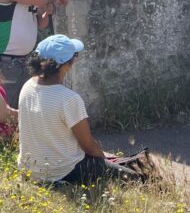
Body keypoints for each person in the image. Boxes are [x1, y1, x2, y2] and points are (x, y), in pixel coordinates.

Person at [18, 34, 139, 184]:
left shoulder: (27, 86)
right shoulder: (69, 99)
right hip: (62, 172)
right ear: (66, 65)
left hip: (30, 170)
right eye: (74, 56)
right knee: (135, 178)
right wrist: (103, 160)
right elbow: (88, 146)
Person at [0, 0, 68, 108]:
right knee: (5, 112)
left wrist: (47, 13)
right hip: (6, 62)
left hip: (24, 60)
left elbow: (40, 24)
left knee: (23, 108)